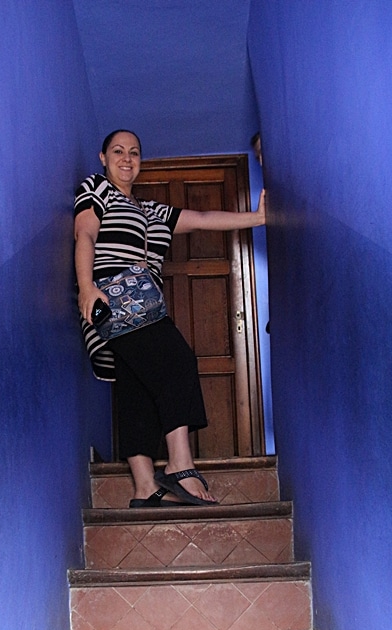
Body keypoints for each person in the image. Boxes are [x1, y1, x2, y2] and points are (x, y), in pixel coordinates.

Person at [74, 130, 266, 508]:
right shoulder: (97, 189)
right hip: (111, 300)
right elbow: (85, 235)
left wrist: (258, 217)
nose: (127, 158)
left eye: (134, 152)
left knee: (137, 387)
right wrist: (85, 288)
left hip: (146, 305)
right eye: (118, 151)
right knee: (177, 360)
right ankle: (180, 464)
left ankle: (145, 487)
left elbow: (204, 218)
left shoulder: (153, 211)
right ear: (102, 158)